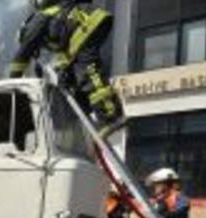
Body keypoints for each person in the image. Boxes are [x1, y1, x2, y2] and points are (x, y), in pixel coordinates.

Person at [9, 0, 123, 133]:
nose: (40, 48)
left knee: (88, 72)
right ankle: (88, 117)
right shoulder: (52, 19)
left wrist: (13, 80)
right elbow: (66, 50)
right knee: (68, 77)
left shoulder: (36, 23)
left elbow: (22, 55)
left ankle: (111, 116)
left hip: (88, 26)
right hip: (82, 31)